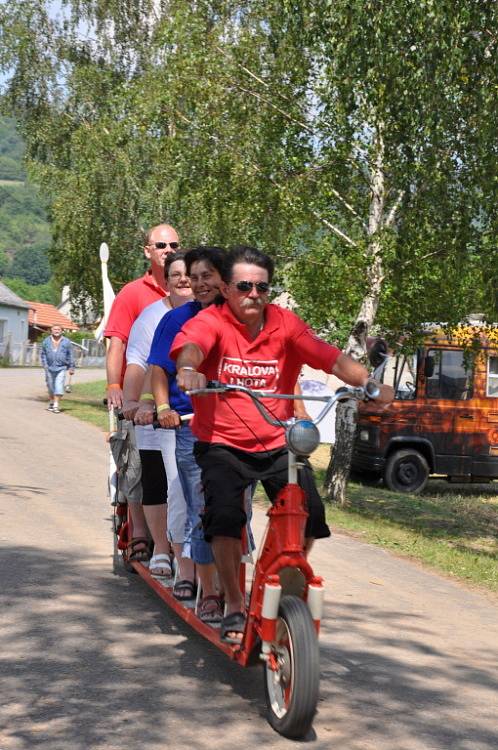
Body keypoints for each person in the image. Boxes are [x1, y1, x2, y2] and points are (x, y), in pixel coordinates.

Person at [170, 245, 394, 642]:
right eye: (243, 286)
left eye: (262, 287)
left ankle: (281, 575)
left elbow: (330, 358)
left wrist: (368, 383)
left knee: (311, 513)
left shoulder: (286, 323)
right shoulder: (213, 322)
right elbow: (193, 348)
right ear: (226, 287)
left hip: (277, 439)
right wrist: (189, 370)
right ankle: (236, 604)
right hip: (223, 442)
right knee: (224, 518)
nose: (253, 294)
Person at [148, 246, 227, 622]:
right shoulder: (177, 319)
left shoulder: (241, 320)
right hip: (190, 424)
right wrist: (164, 409)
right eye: (193, 278)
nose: (198, 284)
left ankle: (231, 584)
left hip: (238, 426)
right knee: (200, 507)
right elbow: (159, 369)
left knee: (235, 509)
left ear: (224, 278)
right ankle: (205, 588)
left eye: (207, 276)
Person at [104, 223, 180, 563]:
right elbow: (119, 344)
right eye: (160, 244)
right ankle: (138, 532)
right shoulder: (134, 293)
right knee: (136, 460)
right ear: (147, 251)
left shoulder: (197, 290)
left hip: (174, 399)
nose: (168, 249)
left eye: (174, 244)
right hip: (138, 396)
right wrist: (115, 386)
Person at [122, 252, 192, 577]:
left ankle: (194, 554)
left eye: (189, 273)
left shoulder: (213, 315)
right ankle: (162, 548)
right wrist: (136, 401)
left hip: (194, 414)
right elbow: (138, 362)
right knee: (159, 479)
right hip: (156, 411)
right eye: (175, 274)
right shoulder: (152, 318)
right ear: (166, 281)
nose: (183, 279)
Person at [40, 325, 75, 413]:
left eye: (58, 329)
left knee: (59, 386)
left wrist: (71, 367)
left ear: (62, 331)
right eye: (55, 329)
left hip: (61, 367)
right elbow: (43, 354)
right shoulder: (46, 341)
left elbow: (70, 355)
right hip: (49, 368)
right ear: (51, 330)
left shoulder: (66, 341)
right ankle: (52, 402)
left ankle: (56, 405)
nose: (57, 331)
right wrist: (45, 365)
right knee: (51, 387)